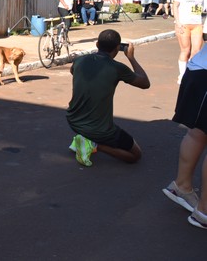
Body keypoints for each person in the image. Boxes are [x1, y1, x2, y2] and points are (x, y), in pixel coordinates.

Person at [67, 29, 150, 167]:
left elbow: (72, 71)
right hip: (100, 130)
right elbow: (145, 83)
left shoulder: (79, 60)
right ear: (118, 48)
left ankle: (84, 139)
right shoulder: (117, 68)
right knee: (135, 155)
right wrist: (131, 57)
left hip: (73, 121)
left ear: (97, 44)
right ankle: (93, 144)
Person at [162, 43, 207, 229]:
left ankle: (182, 186)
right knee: (198, 133)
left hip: (199, 70)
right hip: (202, 74)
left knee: (197, 133)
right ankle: (204, 211)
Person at [172, 0, 206, 84]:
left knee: (196, 51)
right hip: (184, 24)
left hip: (197, 24)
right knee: (185, 50)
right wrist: (178, 22)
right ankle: (182, 75)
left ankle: (190, 73)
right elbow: (175, 6)